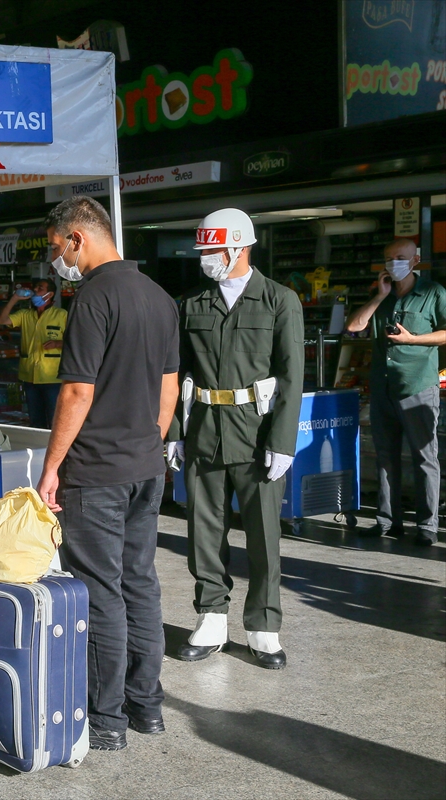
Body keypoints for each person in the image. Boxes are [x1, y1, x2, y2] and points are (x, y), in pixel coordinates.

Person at [33, 196, 179, 752]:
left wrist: (51, 468)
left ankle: (108, 719)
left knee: (101, 593)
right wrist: (149, 441)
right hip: (146, 466)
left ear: (78, 238)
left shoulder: (93, 298)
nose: (56, 260)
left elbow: (76, 390)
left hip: (96, 472)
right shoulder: (160, 298)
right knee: (141, 583)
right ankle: (148, 707)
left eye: (56, 248)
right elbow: (170, 385)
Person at [167, 208, 304, 671]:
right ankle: (210, 617)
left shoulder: (279, 301)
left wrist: (283, 442)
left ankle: (264, 625)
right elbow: (175, 373)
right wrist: (173, 432)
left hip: (257, 433)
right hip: (204, 430)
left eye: (213, 249)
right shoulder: (191, 304)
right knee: (203, 532)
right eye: (202, 249)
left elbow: (291, 377)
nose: (206, 257)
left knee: (265, 535)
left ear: (240, 247)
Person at [345, 237, 445, 546]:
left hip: (417, 385)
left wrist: (412, 340)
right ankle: (388, 521)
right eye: (389, 259)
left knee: (424, 457)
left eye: (400, 258)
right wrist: (380, 296)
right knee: (386, 456)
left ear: (415, 260)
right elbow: (353, 326)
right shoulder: (381, 295)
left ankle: (427, 526)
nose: (394, 264)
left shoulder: (433, 293)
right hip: (383, 387)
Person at [0, 278, 68, 427]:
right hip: (29, 377)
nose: (35, 290)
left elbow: (77, 340)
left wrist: (57, 343)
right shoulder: (25, 314)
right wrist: (15, 298)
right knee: (36, 420)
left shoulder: (61, 315)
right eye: (35, 288)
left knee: (55, 420)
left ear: (49, 295)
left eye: (40, 288)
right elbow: (1, 320)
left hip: (52, 378)